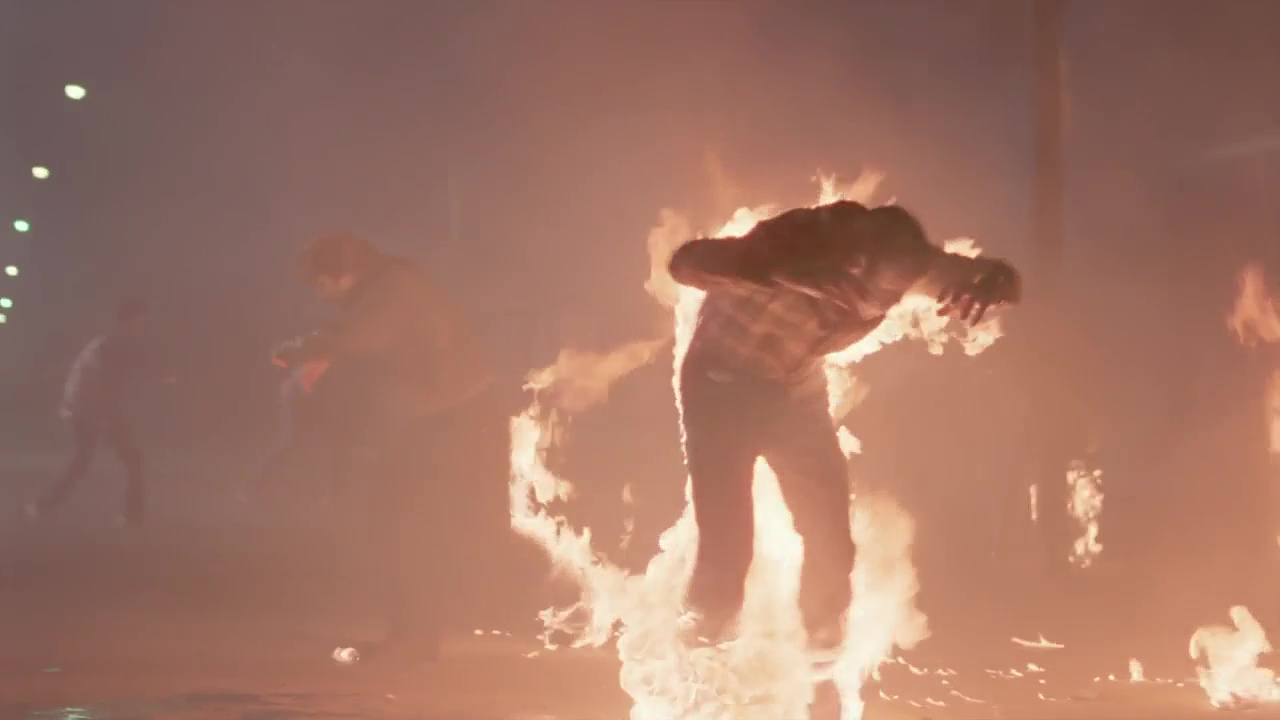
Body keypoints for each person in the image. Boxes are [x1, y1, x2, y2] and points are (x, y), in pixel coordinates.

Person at [667, 201, 1022, 654]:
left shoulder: (906, 263)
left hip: (795, 393)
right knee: (728, 545)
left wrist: (993, 282)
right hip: (721, 388)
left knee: (830, 537)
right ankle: (701, 644)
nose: (880, 304)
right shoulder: (785, 245)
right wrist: (782, 273)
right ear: (849, 265)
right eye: (872, 290)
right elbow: (684, 263)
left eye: (893, 294)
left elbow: (1002, 279)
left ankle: (822, 650)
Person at [283, 231, 494, 664]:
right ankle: (413, 634)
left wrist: (310, 347)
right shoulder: (387, 287)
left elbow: (360, 337)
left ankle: (415, 636)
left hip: (451, 420)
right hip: (439, 419)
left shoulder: (395, 288)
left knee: (404, 524)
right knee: (400, 522)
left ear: (344, 273)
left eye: (322, 283)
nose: (321, 295)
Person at [26, 298, 154, 526]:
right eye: (142, 321)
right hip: (86, 410)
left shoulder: (114, 345)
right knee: (105, 460)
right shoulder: (110, 346)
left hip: (91, 408)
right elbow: (103, 382)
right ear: (129, 321)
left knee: (101, 461)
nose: (144, 327)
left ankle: (40, 507)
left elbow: (116, 379)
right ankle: (41, 507)